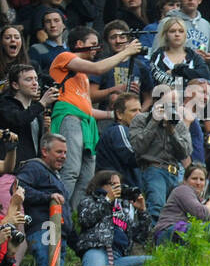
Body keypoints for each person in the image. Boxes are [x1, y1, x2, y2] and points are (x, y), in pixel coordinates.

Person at [49, 26, 146, 212]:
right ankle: (59, 214)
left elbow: (88, 109)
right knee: (70, 170)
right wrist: (127, 51)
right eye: (93, 44)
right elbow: (98, 69)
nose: (96, 48)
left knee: (85, 176)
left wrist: (114, 114)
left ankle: (76, 218)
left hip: (86, 122)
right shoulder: (65, 57)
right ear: (79, 44)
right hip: (70, 117)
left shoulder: (82, 77)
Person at [17, 134, 74, 266]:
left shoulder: (55, 175)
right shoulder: (33, 167)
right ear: (44, 151)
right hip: (43, 230)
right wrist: (47, 197)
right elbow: (18, 188)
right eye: (59, 152)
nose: (63, 157)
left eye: (65, 153)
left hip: (57, 233)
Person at [73, 169, 152, 266]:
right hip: (97, 250)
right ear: (100, 185)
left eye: (119, 185)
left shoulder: (122, 209)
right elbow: (85, 219)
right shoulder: (90, 200)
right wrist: (107, 200)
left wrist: (142, 211)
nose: (118, 188)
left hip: (119, 257)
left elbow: (140, 237)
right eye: (113, 184)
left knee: (152, 262)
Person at [129, 87, 194, 222]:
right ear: (156, 102)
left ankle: (167, 240)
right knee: (156, 207)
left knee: (174, 213)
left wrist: (172, 131)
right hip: (154, 169)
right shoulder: (141, 119)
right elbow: (137, 147)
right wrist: (154, 122)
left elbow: (186, 152)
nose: (172, 109)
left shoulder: (179, 125)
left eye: (175, 105)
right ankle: (153, 240)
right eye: (168, 104)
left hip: (174, 173)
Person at [153, 163, 210, 245]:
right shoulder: (182, 189)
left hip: (184, 231)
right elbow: (200, 213)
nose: (198, 183)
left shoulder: (198, 199)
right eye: (194, 178)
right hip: (168, 232)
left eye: (202, 179)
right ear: (185, 180)